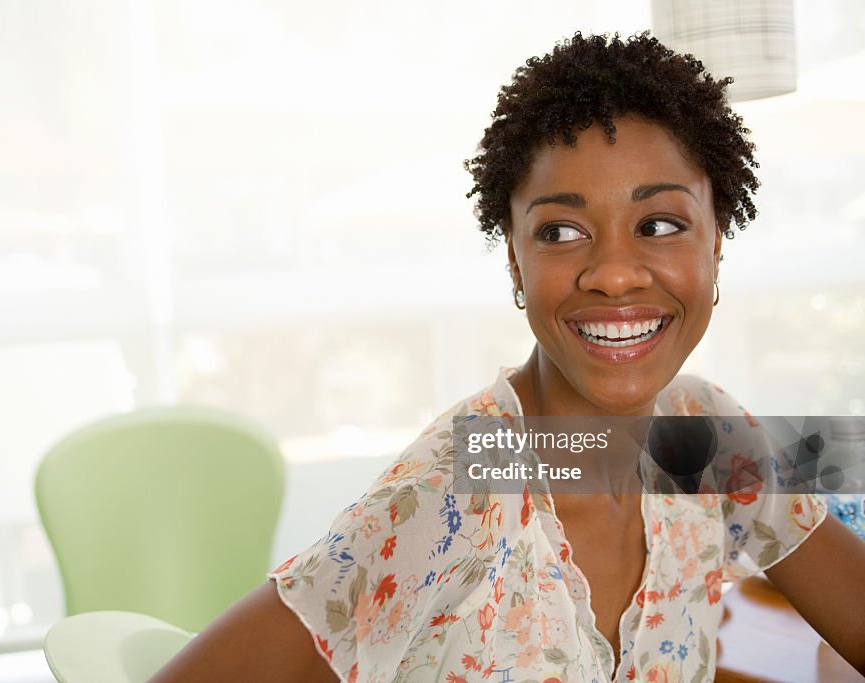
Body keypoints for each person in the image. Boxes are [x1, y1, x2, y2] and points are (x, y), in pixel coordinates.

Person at [151, 32, 865, 682]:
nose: (614, 273)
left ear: (715, 245)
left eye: (659, 224)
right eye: (560, 231)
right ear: (516, 264)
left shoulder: (702, 433)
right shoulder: (461, 490)